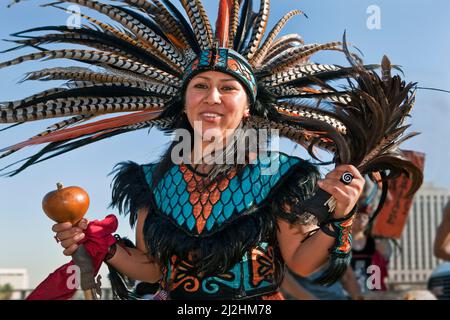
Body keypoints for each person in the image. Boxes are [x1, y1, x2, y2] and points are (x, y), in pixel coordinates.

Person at [0, 0, 422, 300]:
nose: (213, 98)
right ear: (183, 103)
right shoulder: (150, 182)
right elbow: (152, 268)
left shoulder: (282, 176)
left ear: (248, 106)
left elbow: (301, 262)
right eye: (200, 86)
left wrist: (342, 219)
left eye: (228, 88)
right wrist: (100, 244)